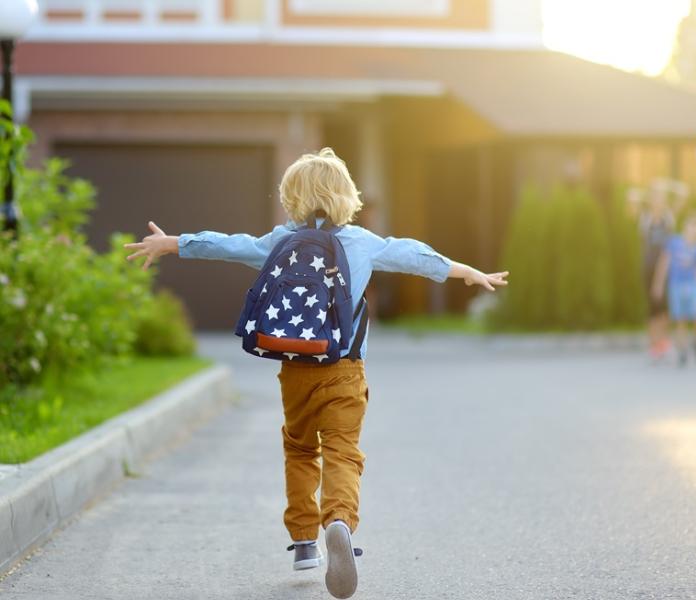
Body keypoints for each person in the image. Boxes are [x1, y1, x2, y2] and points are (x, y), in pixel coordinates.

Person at [123, 148, 508, 599]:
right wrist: (468, 273)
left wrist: (173, 243)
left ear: (292, 198)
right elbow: (414, 256)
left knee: (301, 448)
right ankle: (339, 521)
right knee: (343, 452)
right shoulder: (361, 242)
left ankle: (305, 542)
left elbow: (230, 244)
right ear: (347, 197)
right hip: (345, 369)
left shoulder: (279, 242)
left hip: (295, 368)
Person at [628, 178, 689, 361]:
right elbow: (630, 198)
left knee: (665, 305)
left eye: (661, 196)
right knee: (652, 305)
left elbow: (683, 192)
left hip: (668, 266)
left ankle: (664, 341)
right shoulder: (644, 218)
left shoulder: (669, 216)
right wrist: (645, 192)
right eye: (655, 196)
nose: (658, 200)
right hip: (648, 266)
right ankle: (653, 344)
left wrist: (667, 185)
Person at [652, 211, 696, 366]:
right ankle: (682, 349)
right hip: (676, 286)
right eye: (691, 225)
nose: (693, 230)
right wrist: (658, 284)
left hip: (693, 286)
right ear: (685, 226)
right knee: (680, 319)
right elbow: (664, 264)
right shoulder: (674, 243)